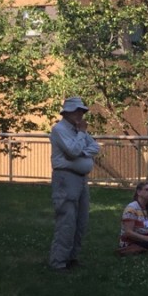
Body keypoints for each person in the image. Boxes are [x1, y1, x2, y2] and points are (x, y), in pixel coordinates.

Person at [49, 97, 101, 272]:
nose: (80, 115)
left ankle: (72, 257)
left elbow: (95, 147)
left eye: (82, 111)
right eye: (77, 111)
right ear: (67, 112)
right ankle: (59, 261)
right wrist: (80, 137)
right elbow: (72, 152)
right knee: (67, 219)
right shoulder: (60, 129)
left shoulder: (79, 130)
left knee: (81, 220)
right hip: (66, 178)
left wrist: (82, 152)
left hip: (81, 179)